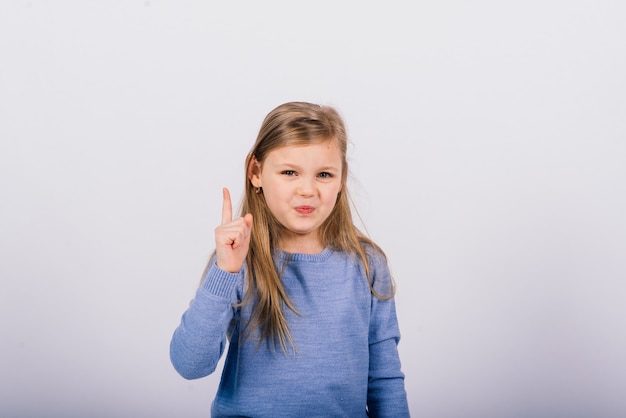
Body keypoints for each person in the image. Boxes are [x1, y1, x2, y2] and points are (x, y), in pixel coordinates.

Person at [170, 101, 410, 417]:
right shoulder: (237, 263)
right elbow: (190, 364)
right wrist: (225, 270)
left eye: (324, 174)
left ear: (341, 179)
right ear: (256, 172)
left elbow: (384, 380)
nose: (307, 190)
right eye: (289, 172)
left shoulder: (366, 264)